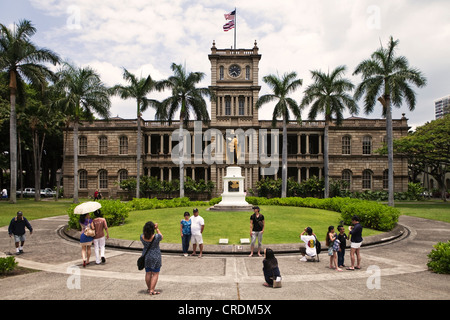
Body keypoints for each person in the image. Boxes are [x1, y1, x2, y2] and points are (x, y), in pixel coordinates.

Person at [141, 221, 163, 295]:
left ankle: (149, 288)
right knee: (155, 273)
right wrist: (157, 229)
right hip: (155, 256)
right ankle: (152, 290)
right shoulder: (156, 237)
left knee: (148, 273)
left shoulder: (142, 237)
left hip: (146, 256)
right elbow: (161, 236)